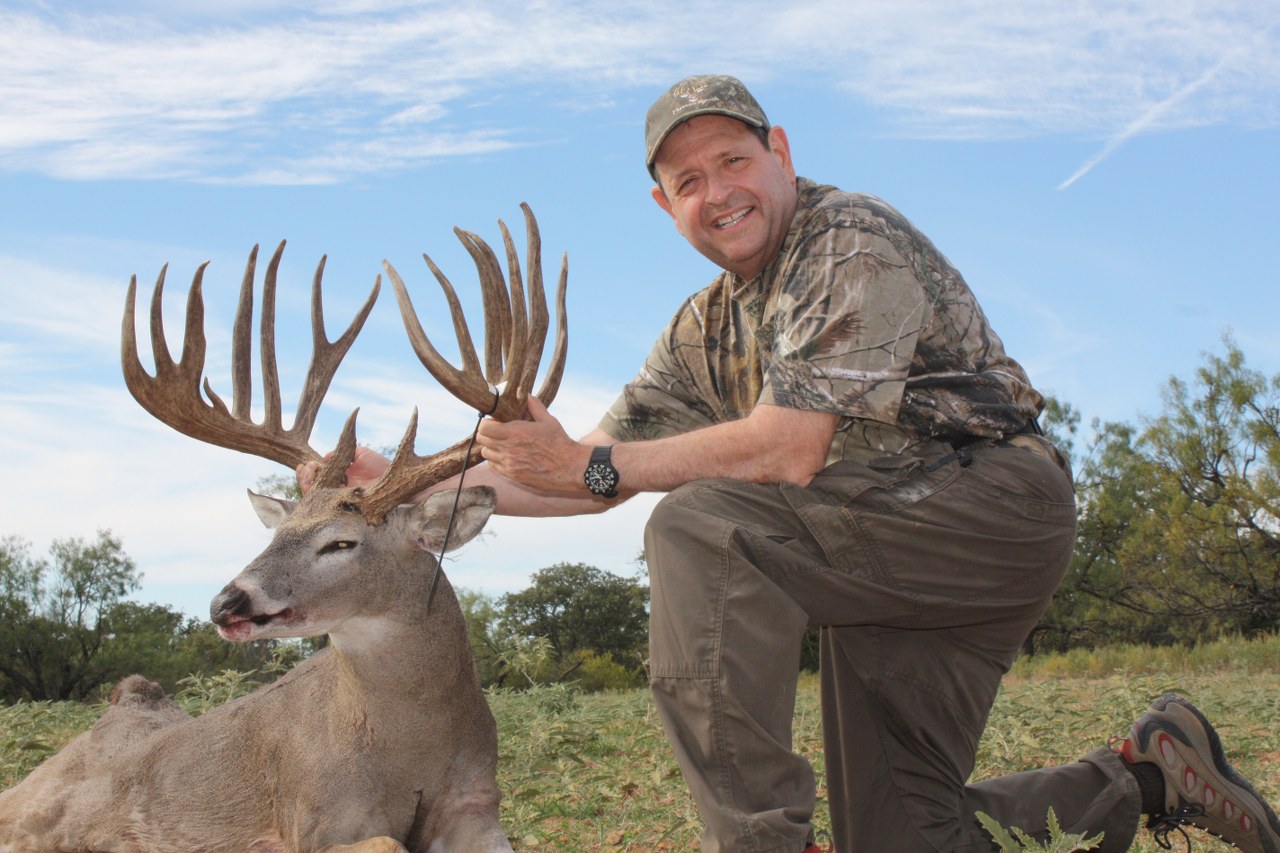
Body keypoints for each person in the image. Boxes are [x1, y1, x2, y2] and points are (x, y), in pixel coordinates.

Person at [307, 75, 1280, 853]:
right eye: (687, 181)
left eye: (732, 158)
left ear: (779, 155)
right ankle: (1149, 772)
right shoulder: (700, 330)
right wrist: (402, 484)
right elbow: (578, 476)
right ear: (663, 204)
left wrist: (595, 465)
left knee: (698, 523)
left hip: (986, 507)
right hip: (874, 568)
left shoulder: (846, 239)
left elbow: (782, 444)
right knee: (904, 837)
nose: (715, 190)